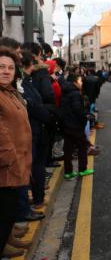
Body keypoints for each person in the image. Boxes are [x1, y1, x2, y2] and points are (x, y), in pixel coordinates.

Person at [0, 47, 32, 258]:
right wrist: (12, 160)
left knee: (8, 213)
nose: (6, 71)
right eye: (1, 67)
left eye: (10, 67)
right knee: (4, 212)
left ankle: (6, 240)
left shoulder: (8, 92)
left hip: (18, 161)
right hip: (6, 166)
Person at [20, 51, 51, 209]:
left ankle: (37, 198)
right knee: (34, 166)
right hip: (33, 130)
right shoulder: (24, 83)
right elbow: (33, 105)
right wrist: (47, 114)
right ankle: (34, 200)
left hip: (37, 129)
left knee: (36, 165)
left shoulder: (28, 81)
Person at [61, 73, 94, 180]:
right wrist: (86, 116)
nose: (82, 83)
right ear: (74, 82)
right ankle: (82, 169)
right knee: (82, 147)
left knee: (68, 149)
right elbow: (78, 110)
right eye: (80, 81)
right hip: (75, 125)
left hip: (66, 124)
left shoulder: (66, 91)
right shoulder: (75, 93)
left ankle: (68, 172)